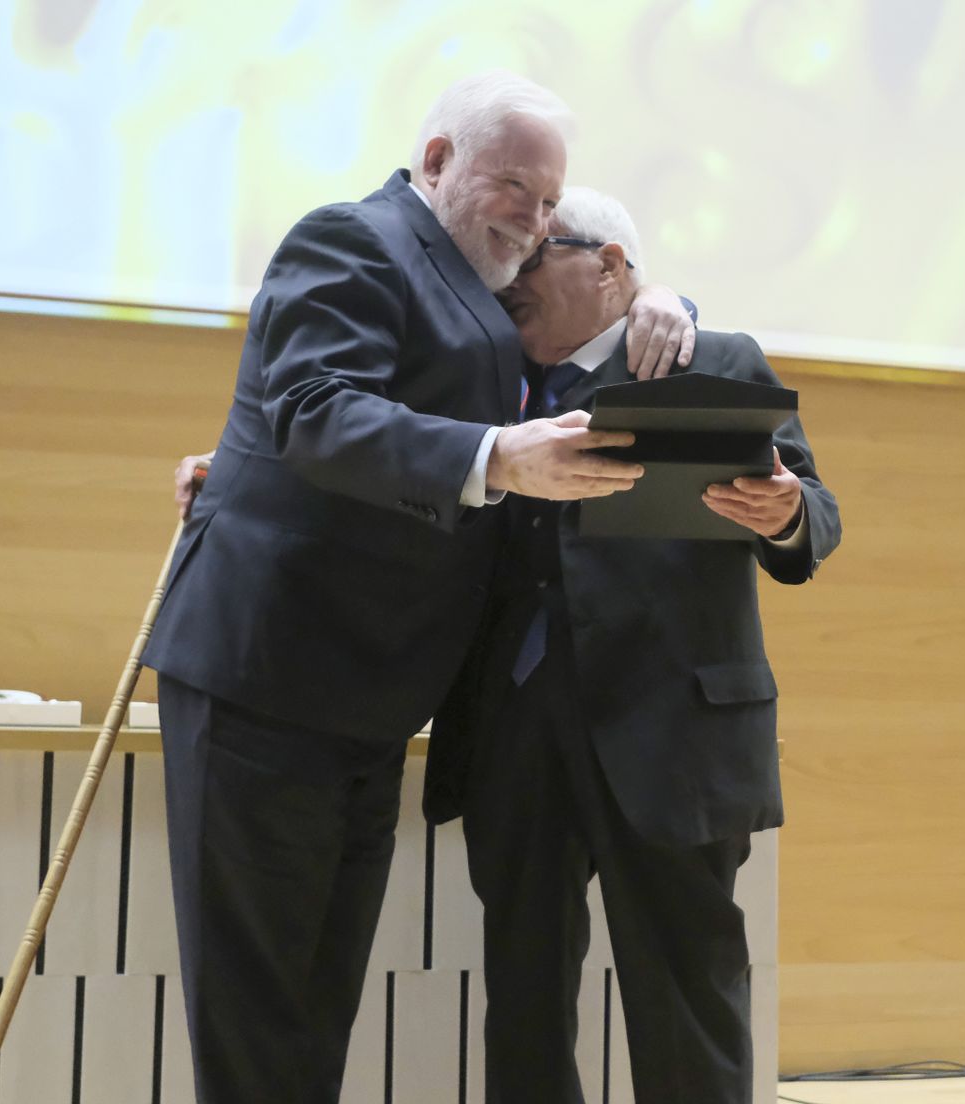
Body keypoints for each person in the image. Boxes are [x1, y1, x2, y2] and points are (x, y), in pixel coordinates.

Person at [141, 73, 692, 1104]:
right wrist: (494, 453)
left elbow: (591, 285)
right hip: (269, 676)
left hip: (367, 700)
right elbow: (311, 407)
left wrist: (662, 297)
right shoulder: (354, 238)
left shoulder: (477, 271)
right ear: (436, 160)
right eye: (515, 189)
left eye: (548, 204)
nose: (533, 223)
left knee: (316, 1000)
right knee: (260, 1005)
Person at [424, 186, 842, 1104]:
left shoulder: (714, 359)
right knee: (522, 998)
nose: (510, 280)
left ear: (612, 267)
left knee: (688, 993)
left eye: (533, 260)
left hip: (673, 735)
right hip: (512, 732)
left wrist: (781, 514)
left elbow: (817, 514)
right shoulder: (491, 376)